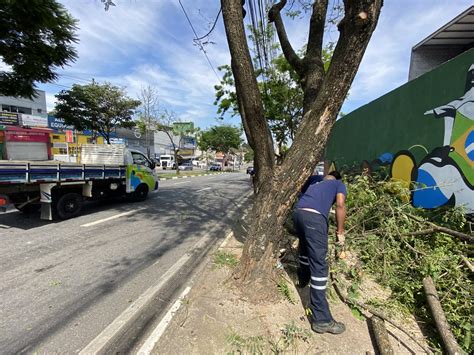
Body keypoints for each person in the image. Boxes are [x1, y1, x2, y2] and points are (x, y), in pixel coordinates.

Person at [293, 170, 347, 334]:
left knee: (304, 250)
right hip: (314, 219)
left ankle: (302, 280)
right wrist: (340, 232)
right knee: (320, 267)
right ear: (336, 179)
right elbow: (340, 205)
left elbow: (299, 190)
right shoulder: (338, 184)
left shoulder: (315, 179)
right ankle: (321, 320)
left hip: (298, 214)